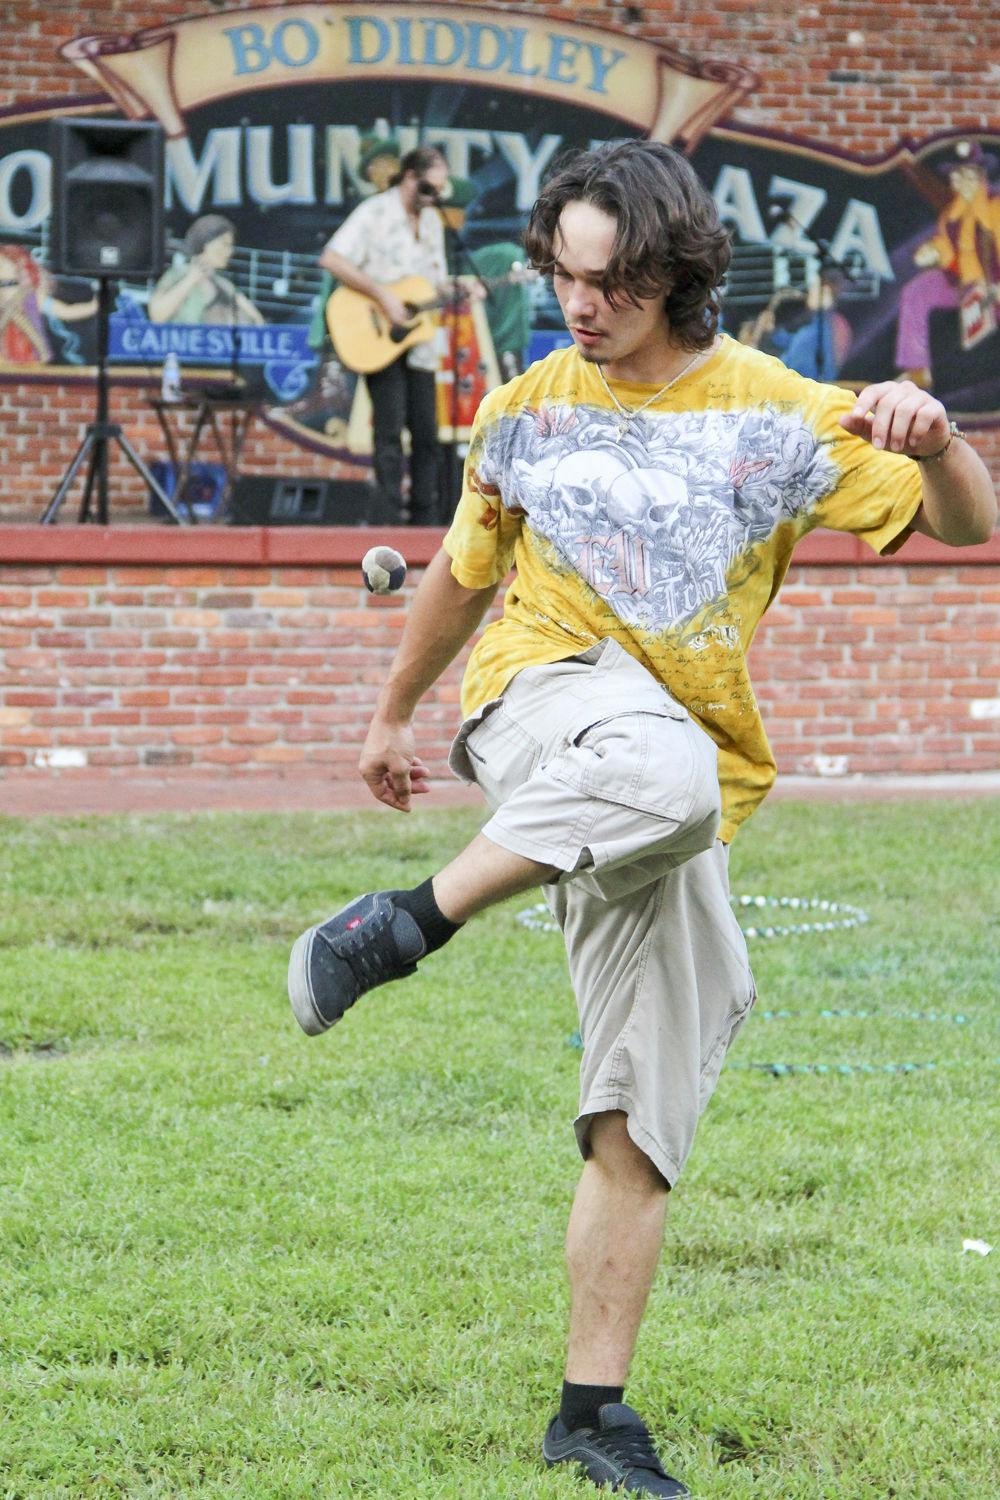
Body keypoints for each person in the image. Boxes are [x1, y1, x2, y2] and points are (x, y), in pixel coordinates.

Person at [287, 140, 997, 1497]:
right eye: (559, 272)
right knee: (661, 774)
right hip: (545, 707)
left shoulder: (781, 414)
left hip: (668, 777)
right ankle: (399, 927)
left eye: (606, 281)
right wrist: (389, 719)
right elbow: (455, 576)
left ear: (674, 274)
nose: (576, 303)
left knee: (646, 1103)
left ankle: (591, 1415)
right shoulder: (527, 407)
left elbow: (967, 526)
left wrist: (943, 435)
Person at [318, 146, 451, 525]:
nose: (434, 198)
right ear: (409, 176)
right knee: (389, 432)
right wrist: (383, 297)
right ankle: (388, 520)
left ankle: (426, 522)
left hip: (418, 338)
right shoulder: (374, 212)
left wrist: (457, 292)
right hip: (378, 332)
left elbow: (432, 285)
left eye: (440, 191)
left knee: (427, 434)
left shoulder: (432, 223)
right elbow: (332, 258)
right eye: (428, 188)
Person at [894, 139, 1000, 388]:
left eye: (966, 174)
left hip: (993, 287)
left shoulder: (995, 209)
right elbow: (948, 249)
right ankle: (917, 370)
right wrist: (933, 252)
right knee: (916, 291)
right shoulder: (951, 214)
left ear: (980, 176)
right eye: (956, 175)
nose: (959, 181)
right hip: (965, 285)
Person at [148, 214, 265, 327]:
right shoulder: (178, 274)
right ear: (205, 242)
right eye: (224, 244)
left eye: (230, 246)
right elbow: (157, 316)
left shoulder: (224, 285)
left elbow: (258, 321)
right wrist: (191, 279)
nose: (230, 251)